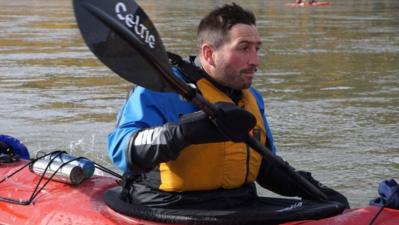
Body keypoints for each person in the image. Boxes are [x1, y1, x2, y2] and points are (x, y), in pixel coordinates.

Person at [108, 3, 348, 209]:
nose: (255, 61)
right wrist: (184, 132)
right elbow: (121, 150)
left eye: (257, 49)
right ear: (209, 54)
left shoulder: (250, 97)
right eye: (244, 48)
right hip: (169, 206)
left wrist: (314, 190)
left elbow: (263, 165)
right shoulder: (158, 88)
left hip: (237, 206)